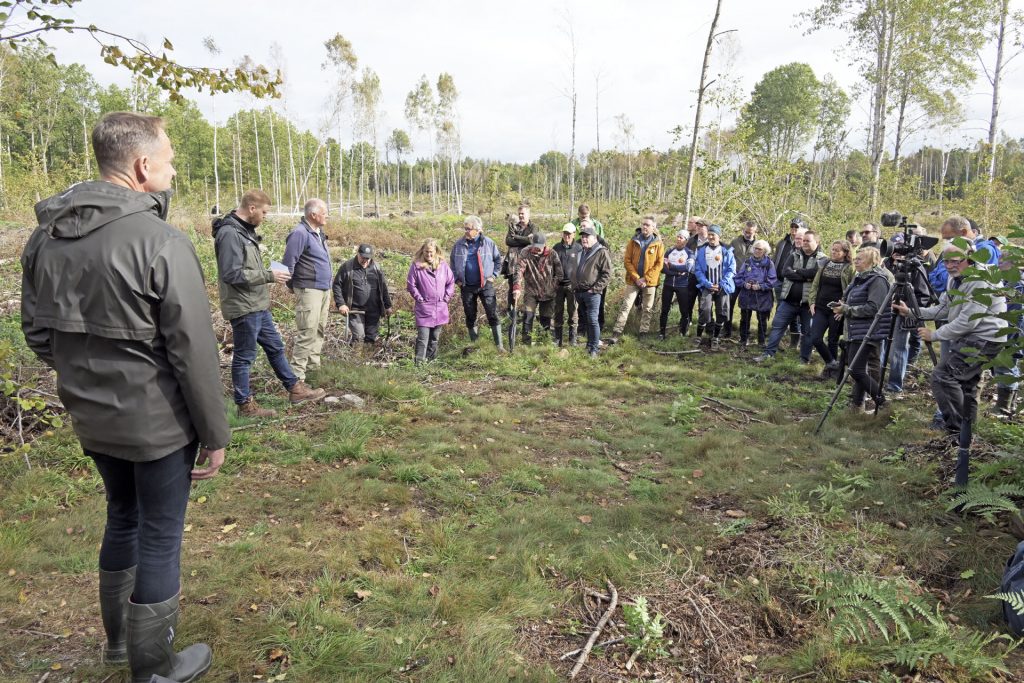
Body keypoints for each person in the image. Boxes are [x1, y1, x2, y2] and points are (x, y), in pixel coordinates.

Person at [21, 112, 230, 682]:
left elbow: (38, 332)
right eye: (169, 157)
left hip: (90, 416)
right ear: (143, 167)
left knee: (122, 517)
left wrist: (88, 380)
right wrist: (214, 435)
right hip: (157, 423)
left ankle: (118, 646)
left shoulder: (46, 237)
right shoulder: (160, 241)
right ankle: (153, 668)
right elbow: (194, 350)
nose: (175, 166)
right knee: (160, 535)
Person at [214, 190, 326, 418]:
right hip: (244, 306)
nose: (265, 216)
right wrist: (268, 275)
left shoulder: (244, 231)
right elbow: (231, 273)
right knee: (245, 356)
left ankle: (296, 390)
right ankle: (245, 405)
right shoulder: (229, 233)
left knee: (275, 347)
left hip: (257, 304)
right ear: (252, 208)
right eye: (264, 212)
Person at [894, 243, 1007, 439]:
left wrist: (934, 335)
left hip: (985, 338)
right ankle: (966, 433)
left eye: (955, 261)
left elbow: (967, 322)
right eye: (945, 261)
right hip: (973, 336)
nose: (948, 266)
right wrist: (911, 311)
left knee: (943, 376)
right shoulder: (955, 279)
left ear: (969, 259)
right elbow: (944, 308)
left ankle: (957, 431)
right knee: (967, 384)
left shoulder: (980, 281)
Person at [833, 247, 892, 413]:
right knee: (857, 370)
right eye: (855, 258)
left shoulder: (878, 280)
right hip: (856, 330)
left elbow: (874, 308)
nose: (855, 261)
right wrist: (843, 306)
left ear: (871, 261)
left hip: (868, 331)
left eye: (859, 259)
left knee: (857, 370)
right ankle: (857, 406)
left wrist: (847, 310)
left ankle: (883, 402)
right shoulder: (859, 278)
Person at [281, 198, 332, 383]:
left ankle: (312, 370)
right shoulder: (299, 233)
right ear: (313, 214)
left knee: (319, 330)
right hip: (309, 289)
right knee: (307, 332)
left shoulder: (318, 233)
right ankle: (297, 377)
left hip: (323, 289)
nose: (327, 215)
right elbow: (288, 262)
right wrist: (291, 285)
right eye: (324, 212)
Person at [755, 231, 825, 363]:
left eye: (807, 241)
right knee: (777, 327)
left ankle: (804, 359)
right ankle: (768, 354)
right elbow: (785, 272)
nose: (804, 243)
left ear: (817, 242)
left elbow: (816, 274)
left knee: (807, 332)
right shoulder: (794, 255)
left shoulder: (822, 259)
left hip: (808, 304)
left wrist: (797, 271)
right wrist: (806, 276)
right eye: (803, 241)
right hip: (788, 301)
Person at [882, 234, 934, 397]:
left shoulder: (915, 266)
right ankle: (880, 379)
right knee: (882, 347)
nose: (896, 251)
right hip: (885, 311)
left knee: (898, 349)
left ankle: (894, 386)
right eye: (894, 247)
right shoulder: (887, 265)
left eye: (900, 247)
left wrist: (909, 310)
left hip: (903, 312)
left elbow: (924, 295)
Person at [450, 215, 504, 348]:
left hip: (485, 284)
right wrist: (457, 280)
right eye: (465, 229)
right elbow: (452, 264)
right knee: (470, 315)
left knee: (492, 313)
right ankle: (475, 345)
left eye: (469, 229)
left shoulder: (488, 243)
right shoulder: (458, 245)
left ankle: (499, 346)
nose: (466, 231)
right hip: (466, 286)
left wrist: (493, 275)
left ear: (478, 229)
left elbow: (498, 260)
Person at [609, 216, 665, 342]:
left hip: (649, 282)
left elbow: (659, 264)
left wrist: (646, 278)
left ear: (653, 227)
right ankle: (616, 332)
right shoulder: (633, 241)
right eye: (643, 224)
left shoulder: (658, 244)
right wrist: (636, 278)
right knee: (626, 306)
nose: (645, 227)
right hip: (633, 280)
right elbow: (627, 261)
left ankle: (643, 333)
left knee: (647, 308)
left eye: (648, 225)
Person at [807, 240, 855, 375]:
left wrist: (844, 308)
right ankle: (831, 363)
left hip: (836, 310)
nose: (833, 252)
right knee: (815, 338)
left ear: (845, 253)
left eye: (837, 250)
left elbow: (852, 290)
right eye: (832, 249)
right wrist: (811, 303)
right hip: (820, 308)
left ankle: (831, 372)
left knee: (832, 340)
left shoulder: (850, 268)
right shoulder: (825, 264)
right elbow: (815, 285)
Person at [406, 238, 455, 365]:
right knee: (423, 338)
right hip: (424, 308)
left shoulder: (443, 266)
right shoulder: (416, 266)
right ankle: (419, 362)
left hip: (440, 308)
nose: (429, 255)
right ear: (422, 251)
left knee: (434, 338)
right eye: (426, 252)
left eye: (431, 252)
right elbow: (411, 285)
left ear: (436, 251)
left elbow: (451, 283)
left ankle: (431, 361)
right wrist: (419, 298)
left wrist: (446, 298)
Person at [512, 231, 564, 345]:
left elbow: (559, 274)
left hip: (548, 293)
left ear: (545, 244)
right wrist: (517, 287)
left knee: (546, 319)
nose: (538, 249)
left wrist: (552, 287)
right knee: (528, 317)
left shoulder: (552, 254)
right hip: (531, 291)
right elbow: (519, 270)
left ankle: (544, 343)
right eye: (536, 247)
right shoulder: (525, 252)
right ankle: (526, 345)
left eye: (540, 247)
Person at [572, 225, 614, 357]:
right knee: (585, 319)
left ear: (594, 238)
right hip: (580, 292)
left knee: (592, 319)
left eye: (587, 236)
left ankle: (594, 349)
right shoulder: (582, 251)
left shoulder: (601, 252)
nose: (584, 239)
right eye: (583, 236)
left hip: (592, 293)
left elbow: (607, 274)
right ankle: (589, 345)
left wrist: (595, 289)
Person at [693, 224, 737, 348]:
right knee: (705, 311)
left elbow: (732, 269)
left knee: (721, 312)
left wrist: (722, 283)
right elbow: (698, 270)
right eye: (710, 234)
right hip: (707, 286)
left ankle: (716, 337)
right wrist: (707, 283)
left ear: (718, 236)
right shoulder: (701, 250)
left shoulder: (727, 250)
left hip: (722, 286)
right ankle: (698, 336)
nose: (711, 237)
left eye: (714, 235)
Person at [570, 204, 610, 326]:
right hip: (581, 283)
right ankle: (583, 328)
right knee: (581, 306)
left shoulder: (602, 244)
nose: (583, 229)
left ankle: (599, 326)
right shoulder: (577, 243)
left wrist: (596, 287)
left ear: (592, 228)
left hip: (596, 281)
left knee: (598, 305)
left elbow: (606, 266)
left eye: (585, 226)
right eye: (581, 226)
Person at [736, 239, 777, 347]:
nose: (757, 251)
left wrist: (760, 286)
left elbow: (772, 280)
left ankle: (762, 341)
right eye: (755, 248)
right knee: (744, 318)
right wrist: (744, 284)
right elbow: (738, 277)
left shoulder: (769, 263)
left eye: (760, 249)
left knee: (762, 319)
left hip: (762, 296)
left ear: (764, 251)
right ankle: (744, 339)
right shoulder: (747, 262)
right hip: (747, 294)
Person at [772, 218, 806, 346]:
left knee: (795, 314)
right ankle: (778, 340)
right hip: (780, 281)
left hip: (796, 283)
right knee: (780, 309)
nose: (794, 229)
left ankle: (794, 342)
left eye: (797, 227)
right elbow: (776, 259)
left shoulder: (804, 243)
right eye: (792, 226)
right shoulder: (782, 242)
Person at [659, 229, 694, 340]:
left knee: (684, 310)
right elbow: (663, 268)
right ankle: (662, 333)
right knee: (665, 309)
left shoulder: (689, 253)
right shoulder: (669, 251)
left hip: (682, 285)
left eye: (681, 237)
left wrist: (672, 267)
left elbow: (687, 268)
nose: (678, 239)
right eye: (678, 237)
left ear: (686, 240)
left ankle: (683, 332)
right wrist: (677, 272)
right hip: (668, 284)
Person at [553, 222, 582, 346]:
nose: (567, 236)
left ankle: (572, 339)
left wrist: (577, 283)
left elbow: (582, 267)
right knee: (557, 312)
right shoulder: (556, 248)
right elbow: (551, 266)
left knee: (573, 312)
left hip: (572, 286)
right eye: (565, 233)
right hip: (558, 285)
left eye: (569, 234)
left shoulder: (579, 248)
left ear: (574, 234)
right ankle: (557, 339)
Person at [503, 203, 537, 312]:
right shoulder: (514, 225)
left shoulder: (534, 227)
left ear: (528, 214)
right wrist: (525, 239)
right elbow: (508, 241)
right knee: (513, 286)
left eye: (523, 213)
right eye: (519, 214)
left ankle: (529, 310)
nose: (521, 216)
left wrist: (516, 237)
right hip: (513, 261)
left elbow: (531, 241)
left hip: (528, 260)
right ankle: (511, 309)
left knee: (529, 286)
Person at [727, 221, 759, 338]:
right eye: (745, 231)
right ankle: (727, 330)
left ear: (755, 232)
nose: (747, 234)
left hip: (749, 281)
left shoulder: (758, 244)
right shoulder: (735, 242)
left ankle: (744, 332)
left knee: (746, 307)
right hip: (734, 279)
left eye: (750, 232)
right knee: (729, 304)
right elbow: (728, 257)